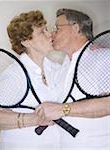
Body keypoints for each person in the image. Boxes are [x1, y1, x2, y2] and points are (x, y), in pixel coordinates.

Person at [36, 9, 110, 150]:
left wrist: (63, 109)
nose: (52, 34)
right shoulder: (63, 67)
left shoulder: (104, 57)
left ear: (76, 28)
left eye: (57, 28)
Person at [0, 10, 60, 150]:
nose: (50, 35)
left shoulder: (56, 68)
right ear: (26, 42)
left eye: (47, 29)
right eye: (42, 32)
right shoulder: (15, 74)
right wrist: (35, 119)